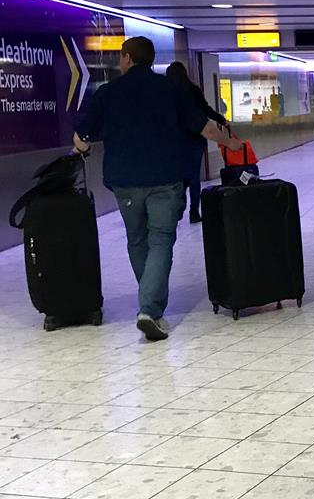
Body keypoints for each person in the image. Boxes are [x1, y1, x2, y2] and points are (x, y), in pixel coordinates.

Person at [73, 37, 242, 341]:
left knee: (137, 240)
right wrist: (230, 143)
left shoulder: (108, 93)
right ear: (150, 60)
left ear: (127, 58)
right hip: (165, 178)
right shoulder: (171, 89)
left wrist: (82, 150)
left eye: (121, 56)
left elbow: (81, 137)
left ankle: (150, 305)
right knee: (161, 240)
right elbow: (204, 126)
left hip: (124, 181)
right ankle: (149, 309)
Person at [164, 61, 228, 224]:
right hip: (194, 139)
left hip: (173, 142)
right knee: (194, 175)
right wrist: (221, 120)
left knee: (178, 174)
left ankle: (178, 207)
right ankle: (194, 210)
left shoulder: (165, 93)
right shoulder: (193, 90)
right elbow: (205, 109)